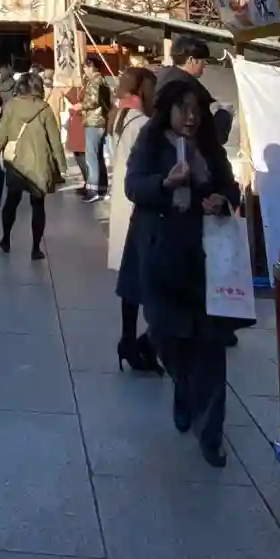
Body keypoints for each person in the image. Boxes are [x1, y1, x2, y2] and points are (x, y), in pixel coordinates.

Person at [125, 76, 243, 467]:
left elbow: (231, 188)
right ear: (169, 110)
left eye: (197, 109)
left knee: (209, 346)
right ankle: (183, 386)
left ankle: (210, 434)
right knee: (166, 336)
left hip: (207, 260)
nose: (191, 117)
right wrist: (164, 183)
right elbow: (133, 186)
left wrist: (221, 199)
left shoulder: (209, 145)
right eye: (184, 108)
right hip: (162, 256)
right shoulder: (150, 141)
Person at [107, 65, 160, 372]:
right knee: (147, 279)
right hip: (139, 206)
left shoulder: (123, 117)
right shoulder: (142, 123)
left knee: (132, 280)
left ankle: (129, 340)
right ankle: (142, 342)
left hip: (127, 203)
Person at [0, 72, 67, 260]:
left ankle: (5, 239)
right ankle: (35, 248)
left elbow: (2, 135)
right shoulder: (44, 109)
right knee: (38, 205)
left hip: (16, 162)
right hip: (39, 162)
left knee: (11, 201)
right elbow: (55, 140)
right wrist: (62, 165)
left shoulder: (11, 106)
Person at [79, 63, 112, 203]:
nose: (84, 70)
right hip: (101, 121)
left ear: (92, 67)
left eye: (86, 67)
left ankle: (93, 189)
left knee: (91, 157)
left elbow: (93, 100)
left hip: (94, 121)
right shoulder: (102, 80)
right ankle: (102, 187)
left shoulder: (94, 81)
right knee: (99, 157)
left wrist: (81, 105)